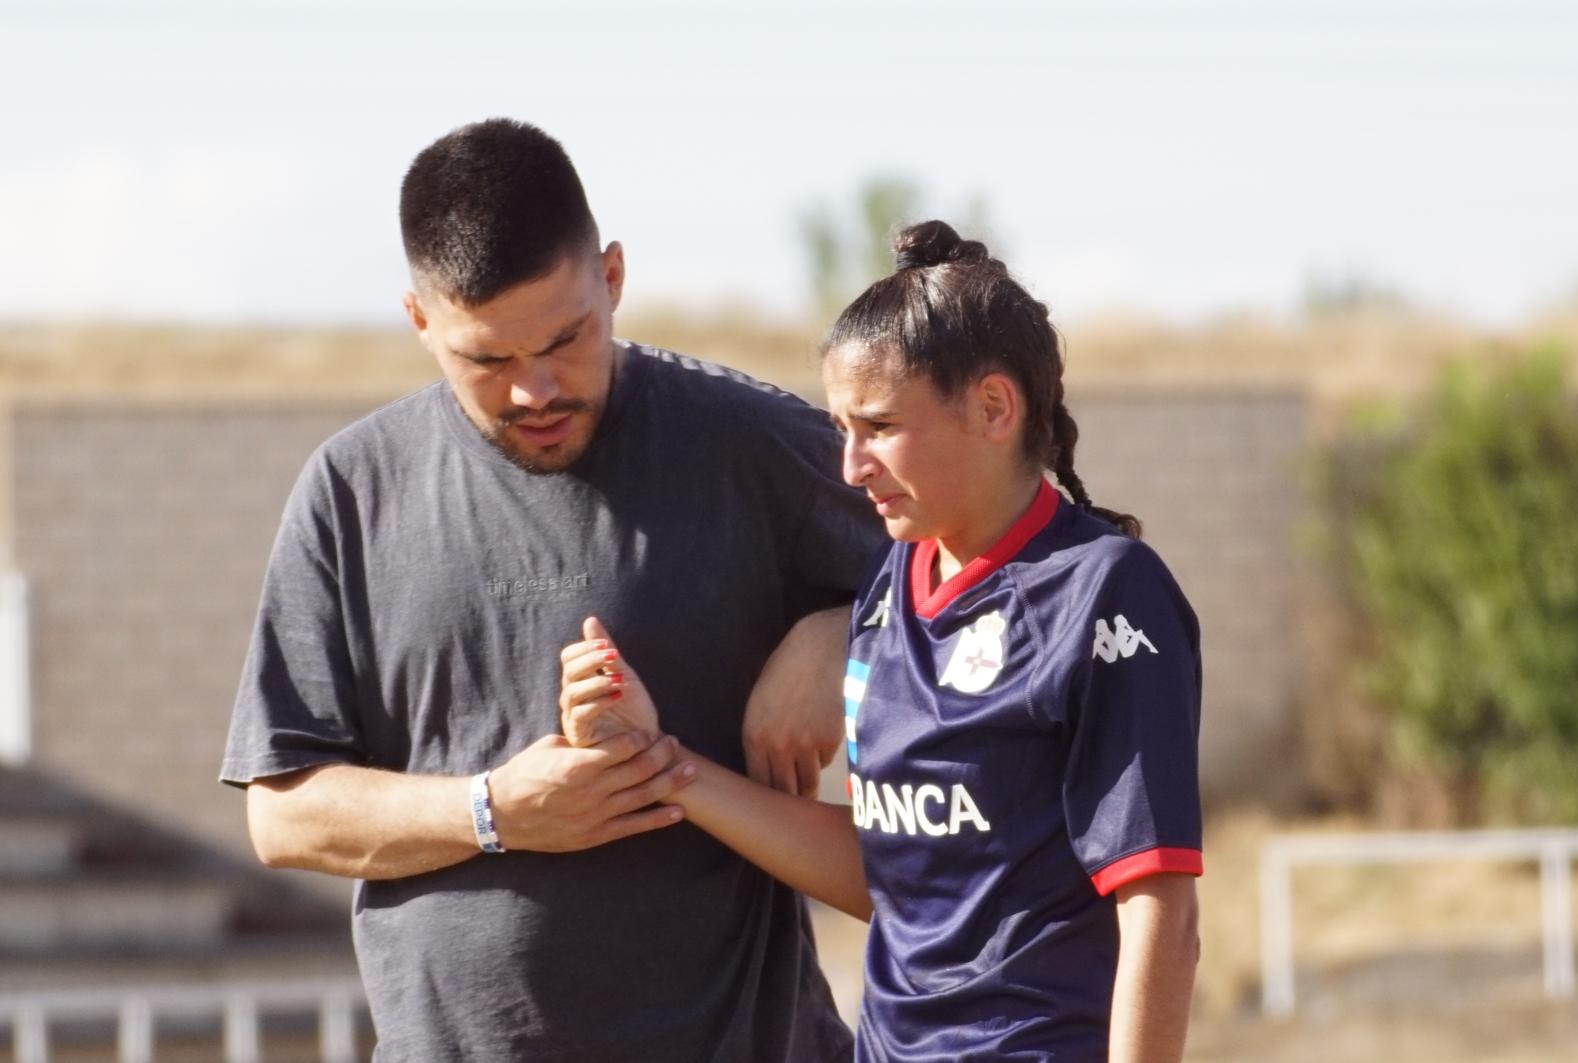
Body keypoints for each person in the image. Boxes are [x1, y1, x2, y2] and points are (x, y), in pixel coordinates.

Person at [219, 118, 885, 1062]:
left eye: (565, 339)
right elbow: (282, 812)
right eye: (487, 360)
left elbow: (998, 586)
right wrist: (494, 810)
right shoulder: (350, 491)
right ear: (419, 321)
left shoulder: (751, 446)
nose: (535, 389)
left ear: (611, 278)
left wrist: (841, 634)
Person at [561, 220, 1204, 1062]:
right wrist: (659, 760)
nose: (851, 465)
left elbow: (1160, 908)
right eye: (842, 429)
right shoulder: (886, 588)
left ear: (993, 407)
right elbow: (894, 871)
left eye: (880, 426)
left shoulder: (1108, 592)